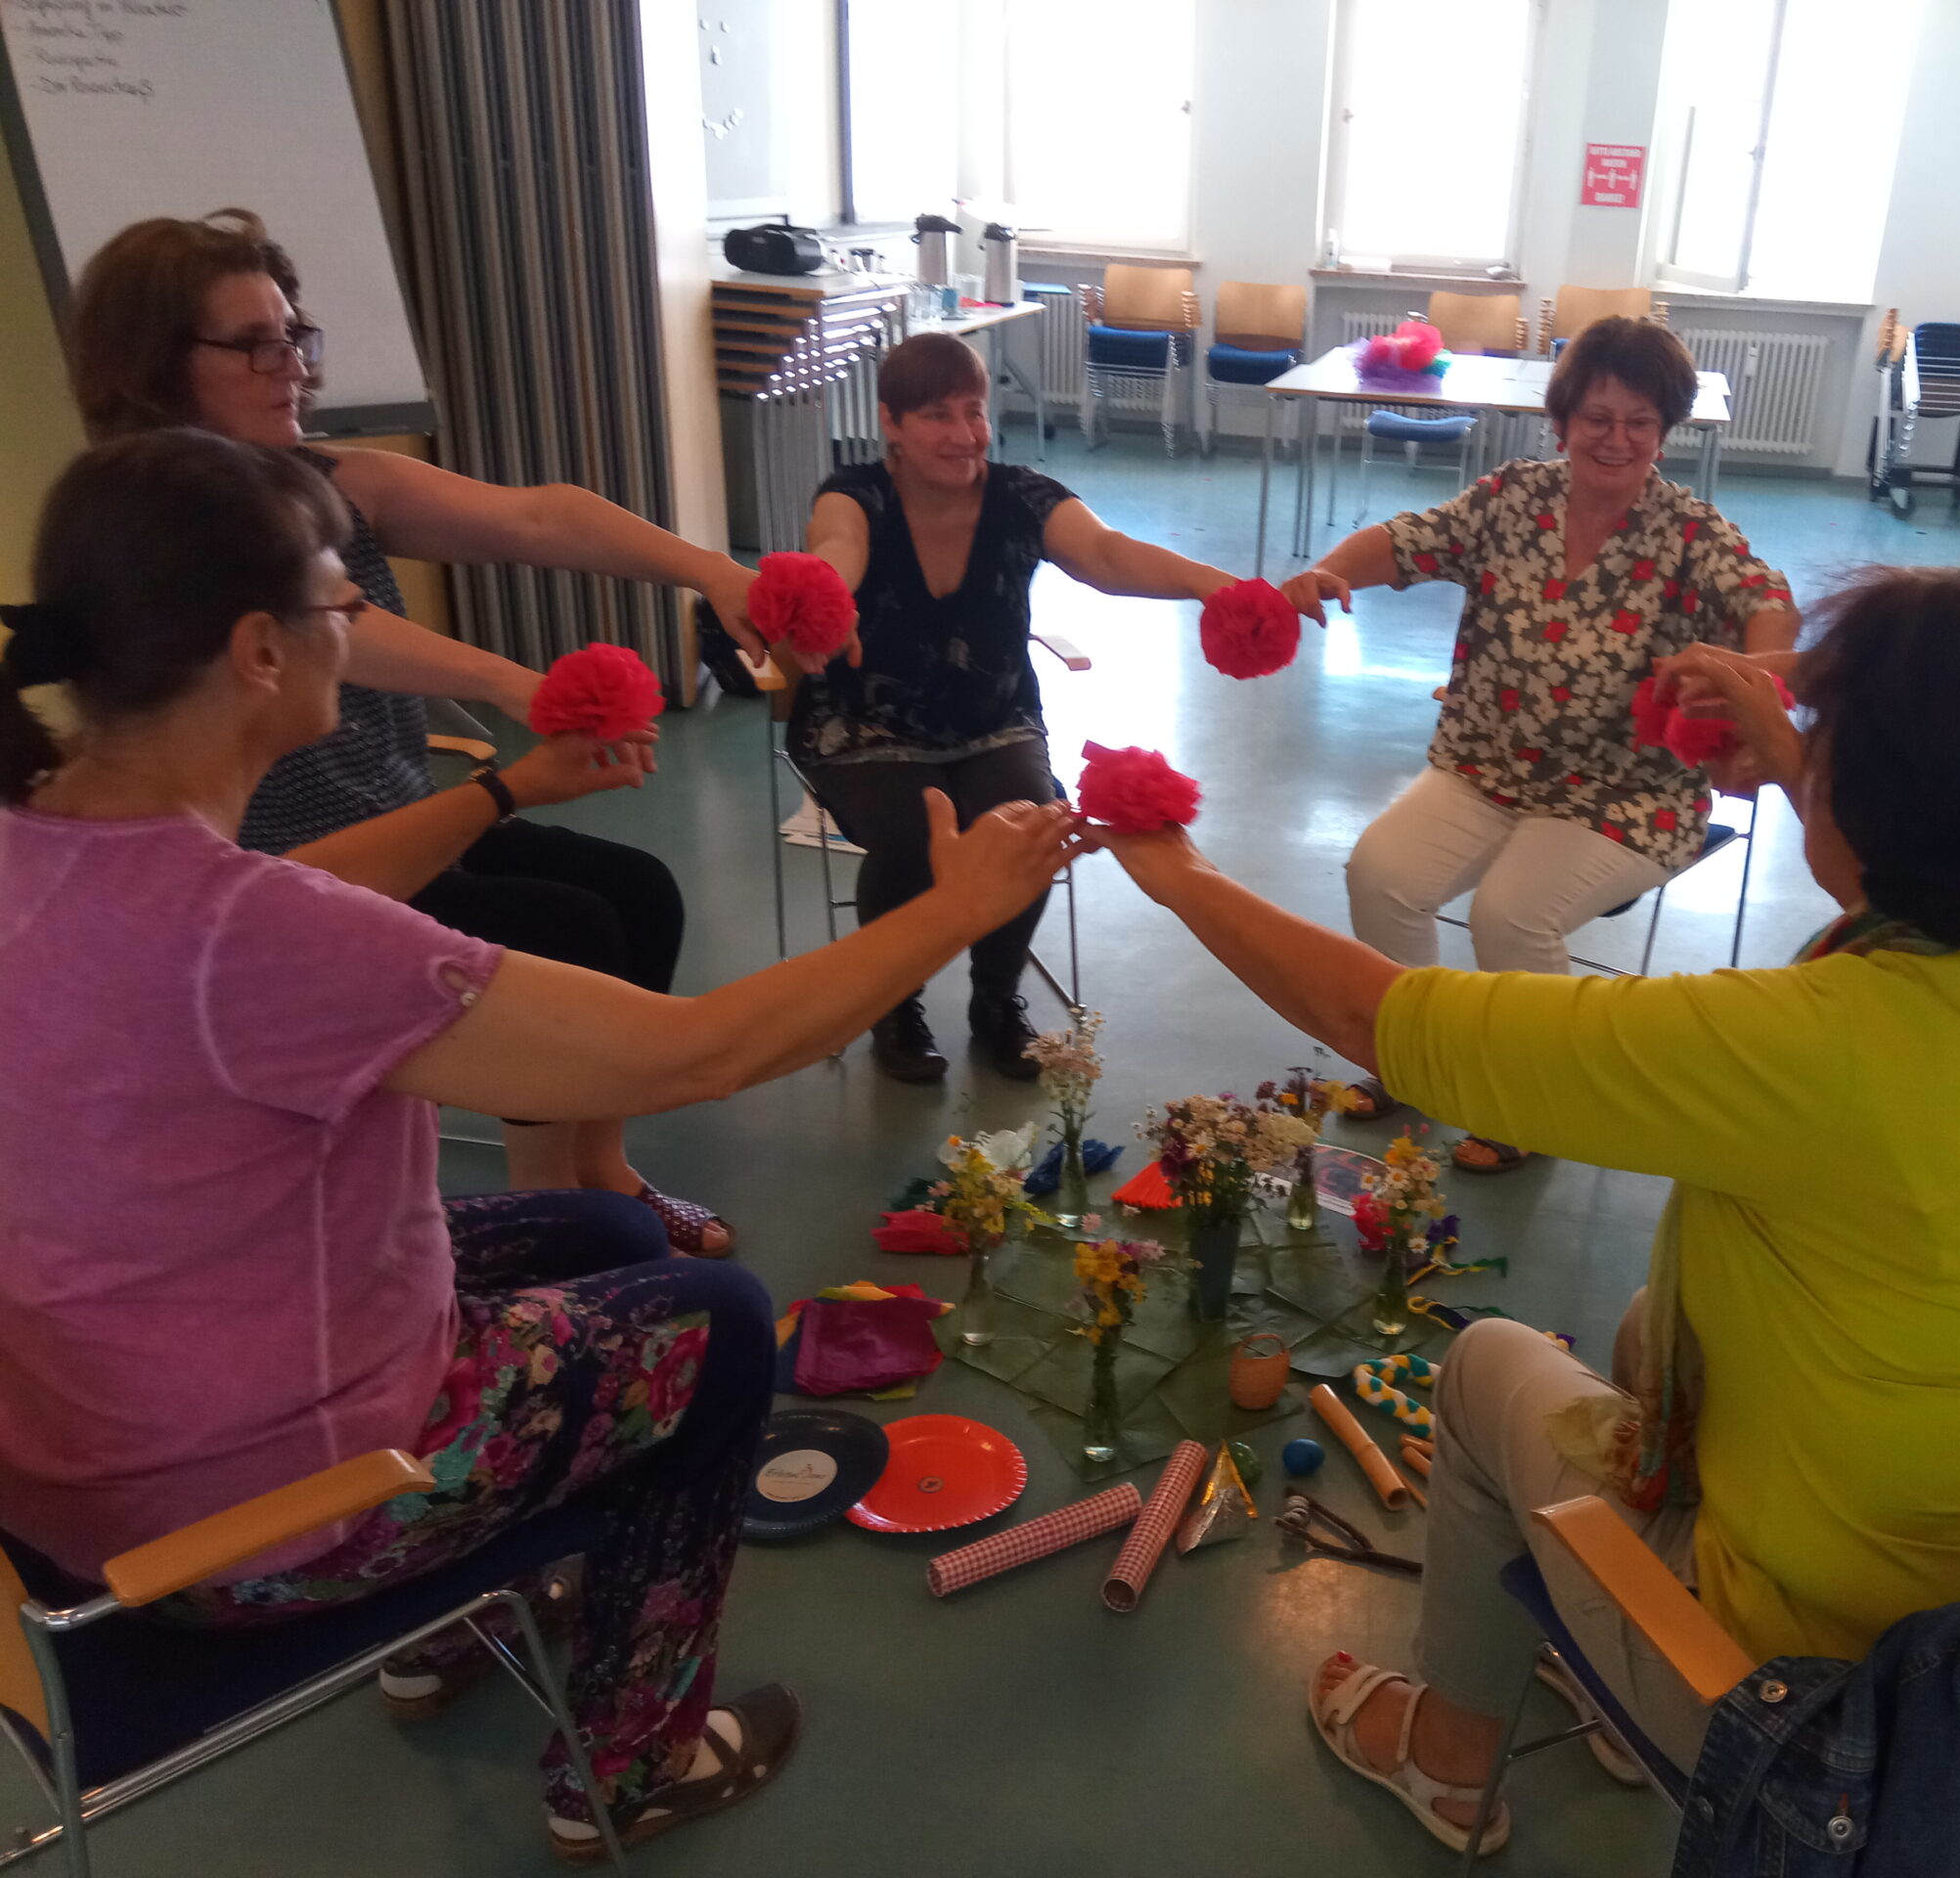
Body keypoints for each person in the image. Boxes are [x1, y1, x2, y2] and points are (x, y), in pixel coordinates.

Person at [0, 430, 1082, 1860]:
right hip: (260, 1528)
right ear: (260, 650)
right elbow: (700, 1051)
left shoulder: (48, 844)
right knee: (717, 1327)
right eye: (340, 601)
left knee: (607, 1231)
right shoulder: (260, 940)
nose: (355, 625)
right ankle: (629, 1766)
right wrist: (952, 913)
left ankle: (456, 1626)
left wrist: (506, 790)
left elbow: (269, 899)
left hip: (91, 1464)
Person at [1089, 565, 1960, 1853]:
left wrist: (1177, 871)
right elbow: (1934, 881)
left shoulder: (1810, 1045)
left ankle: (1453, 1759)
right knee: (1647, 1329)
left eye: (1830, 738)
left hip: (1852, 1726)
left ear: (1881, 799)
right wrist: (1792, 753)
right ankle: (1595, 1658)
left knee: (1486, 1370)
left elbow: (1373, 1015)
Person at [68, 208, 757, 1253]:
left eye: (292, 336)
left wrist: (710, 571)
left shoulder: (321, 478)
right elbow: (343, 627)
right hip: (294, 863)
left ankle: (603, 1174)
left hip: (403, 814)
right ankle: (551, 1222)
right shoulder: (162, 531)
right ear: (158, 366)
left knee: (638, 892)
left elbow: (537, 516)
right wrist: (518, 686)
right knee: (566, 932)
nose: (291, 367)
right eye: (251, 345)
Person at [1278, 317, 1800, 1172]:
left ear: (1664, 431)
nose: (1617, 439)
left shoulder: (1689, 533)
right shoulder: (1513, 498)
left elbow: (1765, 599)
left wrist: (1752, 679)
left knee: (1511, 914)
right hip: (1485, 767)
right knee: (1380, 873)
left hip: (1625, 795)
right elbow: (1407, 541)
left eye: (1639, 421)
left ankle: (1533, 1106)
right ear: (1562, 422)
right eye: (1597, 417)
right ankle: (1410, 1058)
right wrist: (1330, 569)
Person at [780, 331, 1246, 1083]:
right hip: (864, 727)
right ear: (890, 421)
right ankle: (892, 1006)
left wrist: (1210, 583)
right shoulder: (854, 493)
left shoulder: (1021, 495)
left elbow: (1106, 553)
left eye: (974, 411)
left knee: (1030, 826)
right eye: (937, 415)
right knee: (912, 840)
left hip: (994, 721)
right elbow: (838, 546)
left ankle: (996, 1001)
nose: (964, 434)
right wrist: (821, 592)